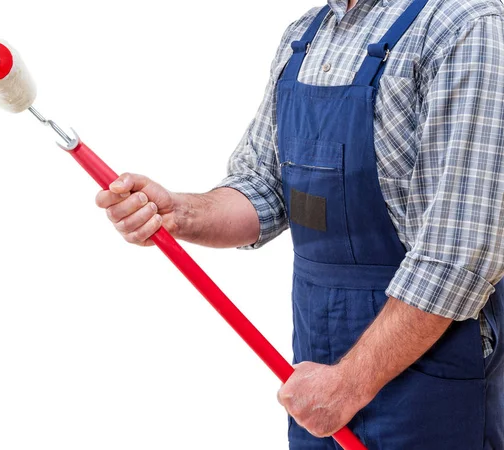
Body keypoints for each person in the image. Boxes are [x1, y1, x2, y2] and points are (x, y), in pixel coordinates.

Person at [95, 0, 504, 447]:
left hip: (431, 379)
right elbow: (266, 189)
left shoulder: (464, 26)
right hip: (316, 374)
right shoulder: (306, 36)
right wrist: (180, 212)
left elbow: (460, 254)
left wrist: (350, 382)